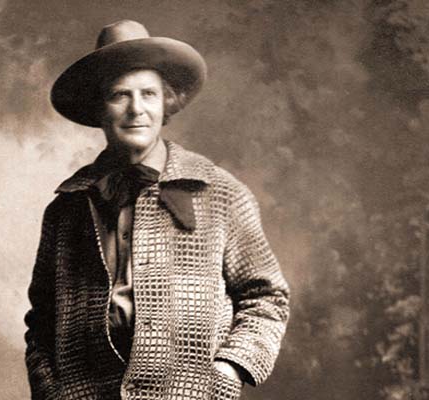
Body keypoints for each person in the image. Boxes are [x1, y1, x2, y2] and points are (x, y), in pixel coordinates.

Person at [24, 20, 290, 400]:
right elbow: (41, 320)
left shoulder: (221, 194)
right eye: (120, 95)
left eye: (148, 94)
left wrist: (230, 369)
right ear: (99, 108)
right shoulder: (67, 209)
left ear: (166, 102)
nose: (136, 109)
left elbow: (267, 297)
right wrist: (51, 390)